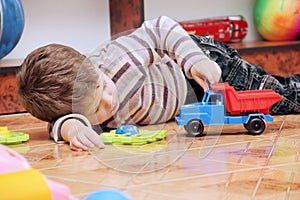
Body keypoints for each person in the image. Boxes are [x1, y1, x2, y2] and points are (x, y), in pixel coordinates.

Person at [17, 16, 300, 151]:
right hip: (192, 99)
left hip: (201, 67)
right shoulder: (74, 107)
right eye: (95, 111)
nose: (109, 100)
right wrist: (70, 126)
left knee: (283, 98)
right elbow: (57, 123)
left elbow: (161, 28)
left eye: (103, 86)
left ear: (93, 68)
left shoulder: (119, 59)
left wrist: (195, 61)